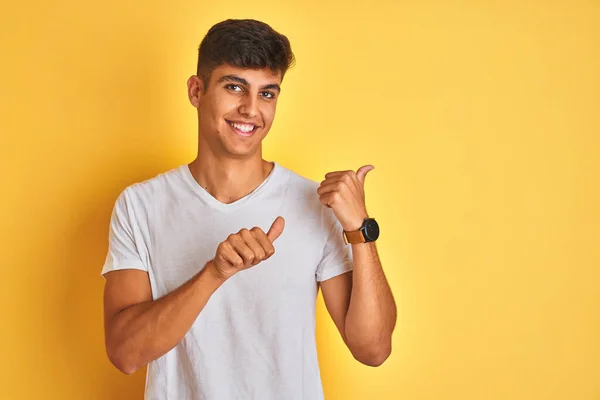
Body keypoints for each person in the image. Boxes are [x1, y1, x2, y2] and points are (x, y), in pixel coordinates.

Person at [101, 18, 397, 400]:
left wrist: (360, 230)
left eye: (267, 94)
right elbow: (125, 353)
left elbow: (373, 350)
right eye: (234, 87)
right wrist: (214, 273)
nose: (250, 109)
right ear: (196, 90)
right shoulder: (140, 205)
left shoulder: (314, 204)